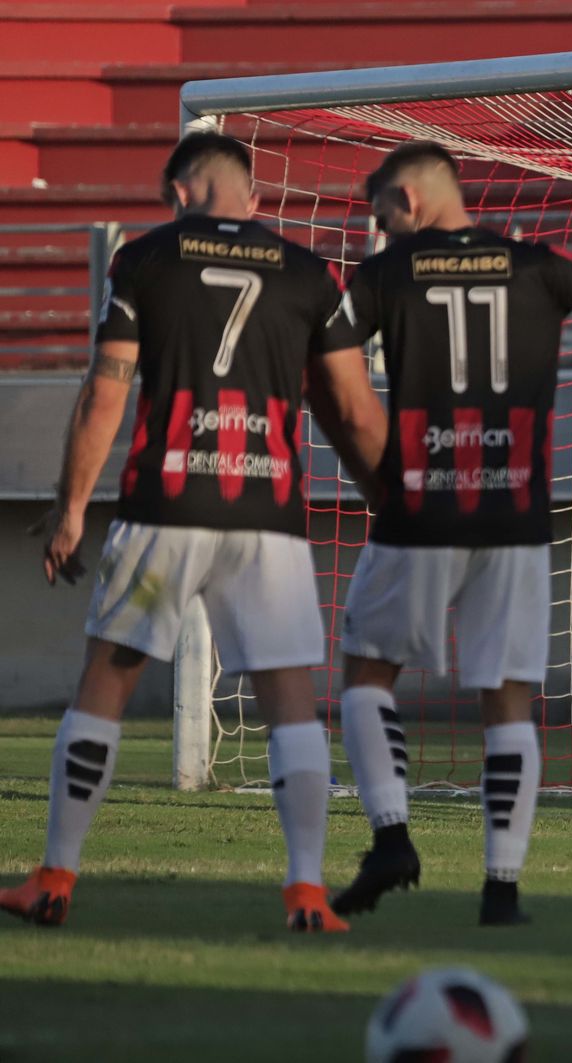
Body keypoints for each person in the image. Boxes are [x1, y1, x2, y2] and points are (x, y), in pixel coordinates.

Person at [0, 132, 386, 931]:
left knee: (104, 681)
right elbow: (350, 408)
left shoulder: (144, 260)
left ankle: (56, 876)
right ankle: (307, 889)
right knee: (288, 700)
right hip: (268, 516)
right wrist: (394, 499)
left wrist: (72, 505)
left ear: (178, 193)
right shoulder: (310, 273)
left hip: (164, 507)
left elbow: (105, 391)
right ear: (253, 195)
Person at [329, 142, 572, 925]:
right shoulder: (538, 265)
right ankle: (502, 887)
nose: (378, 228)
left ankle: (392, 836)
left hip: (422, 503)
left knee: (365, 673)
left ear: (410, 204)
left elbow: (336, 375)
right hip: (517, 509)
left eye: (381, 212)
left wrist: (376, 469)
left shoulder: (384, 274)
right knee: (509, 698)